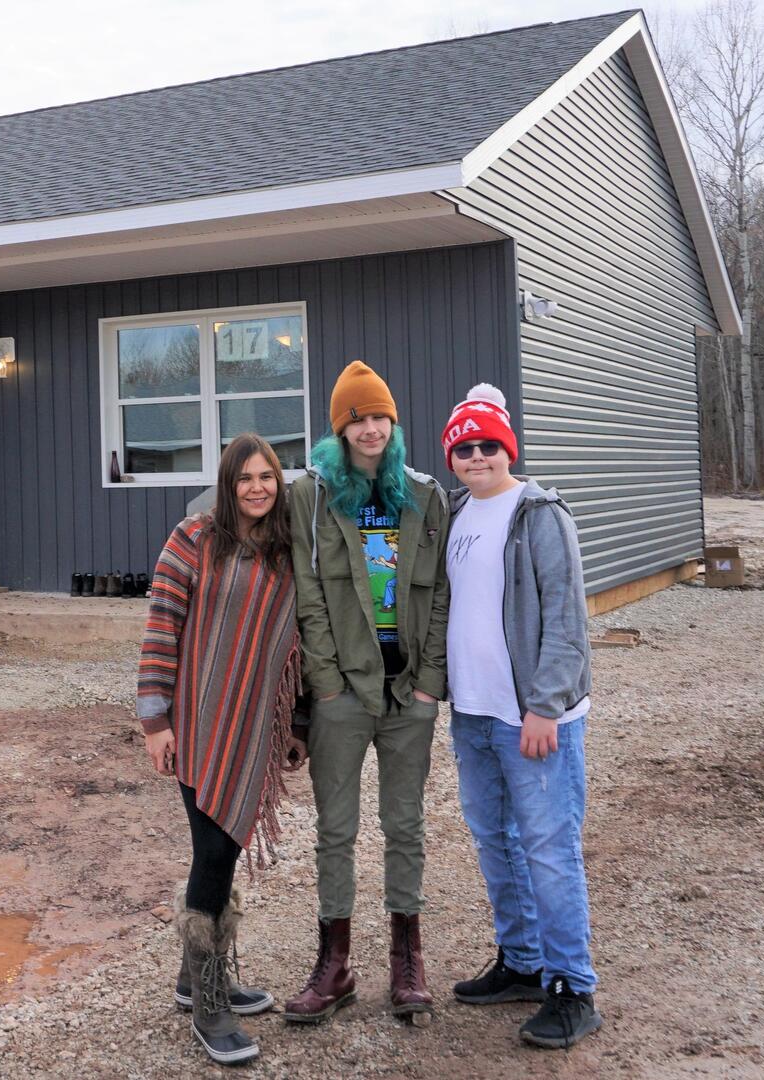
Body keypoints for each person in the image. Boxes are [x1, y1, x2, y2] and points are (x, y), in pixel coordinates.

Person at [283, 361, 450, 1026]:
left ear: (394, 422)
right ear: (340, 427)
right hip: (343, 695)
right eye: (358, 417)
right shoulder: (314, 496)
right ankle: (335, 965)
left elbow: (438, 596)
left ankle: (407, 959)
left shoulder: (424, 495)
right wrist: (324, 684)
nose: (371, 427)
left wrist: (431, 683)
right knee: (336, 830)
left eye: (379, 415)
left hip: (408, 692)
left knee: (405, 825)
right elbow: (308, 594)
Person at [438, 383, 603, 1049]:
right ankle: (523, 962)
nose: (476, 456)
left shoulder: (538, 514)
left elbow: (566, 618)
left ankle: (572, 987)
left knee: (548, 848)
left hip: (532, 720)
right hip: (473, 713)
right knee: (493, 838)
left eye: (487, 445)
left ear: (507, 448)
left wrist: (545, 706)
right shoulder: (454, 513)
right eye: (464, 447)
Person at [137, 433, 305, 1066]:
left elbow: (297, 651)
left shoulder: (288, 553)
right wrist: (155, 721)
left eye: (268, 477)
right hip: (198, 722)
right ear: (228, 483)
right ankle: (210, 1005)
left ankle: (194, 979)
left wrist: (296, 726)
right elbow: (161, 630)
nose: (258, 488)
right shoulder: (193, 540)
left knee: (222, 850)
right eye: (245, 478)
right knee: (212, 851)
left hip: (253, 728)